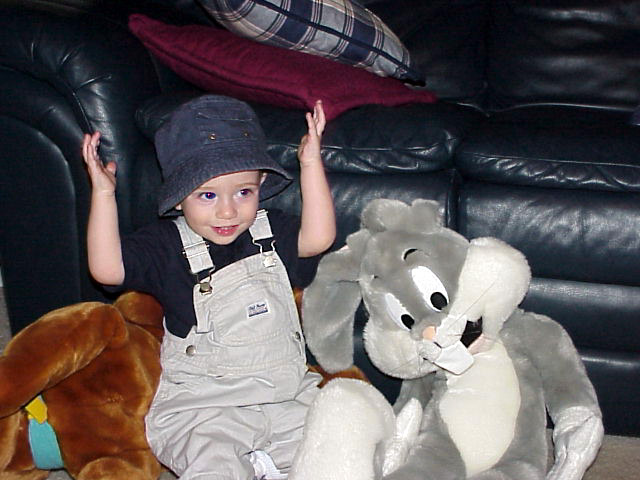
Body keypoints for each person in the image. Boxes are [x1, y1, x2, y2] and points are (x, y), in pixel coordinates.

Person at [82, 94, 335, 480]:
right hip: (206, 406)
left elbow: (317, 238)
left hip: (284, 394)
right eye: (208, 195)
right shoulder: (166, 244)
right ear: (178, 199)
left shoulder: (270, 229)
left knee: (332, 446)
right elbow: (107, 270)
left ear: (261, 184)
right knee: (212, 462)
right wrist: (103, 195)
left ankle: (268, 465)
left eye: (243, 192)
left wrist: (311, 163)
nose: (228, 211)